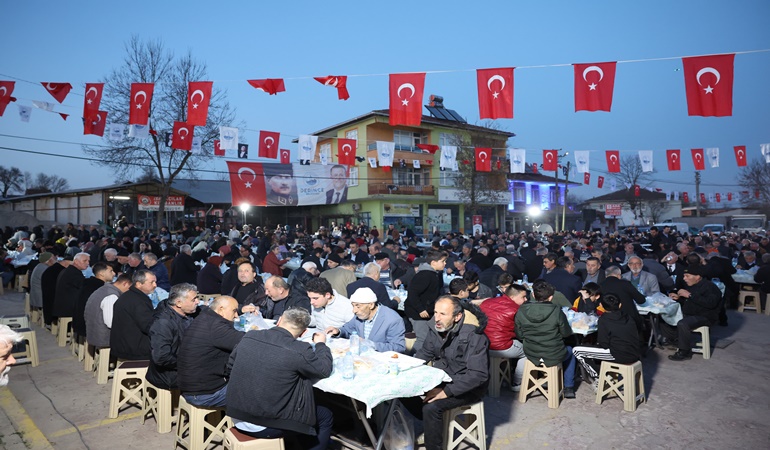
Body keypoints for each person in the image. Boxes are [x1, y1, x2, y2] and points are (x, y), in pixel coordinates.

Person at [226, 308, 333, 450]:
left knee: (299, 403)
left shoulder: (249, 336)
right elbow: (324, 370)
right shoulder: (299, 349)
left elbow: (230, 366)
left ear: (280, 320)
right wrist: (321, 344)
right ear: (304, 332)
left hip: (236, 414)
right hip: (265, 423)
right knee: (325, 415)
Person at [404, 296, 489, 450]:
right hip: (444, 376)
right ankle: (433, 426)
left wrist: (446, 392)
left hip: (470, 386)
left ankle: (434, 442)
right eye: (435, 312)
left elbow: (478, 375)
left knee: (432, 407)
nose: (436, 318)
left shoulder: (474, 336)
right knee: (403, 390)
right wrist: (406, 368)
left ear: (457, 317)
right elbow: (425, 353)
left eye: (443, 314)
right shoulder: (436, 328)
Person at [514, 280, 577, 399]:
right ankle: (568, 387)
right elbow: (566, 333)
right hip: (553, 353)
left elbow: (520, 335)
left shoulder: (521, 310)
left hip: (531, 351)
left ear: (533, 295)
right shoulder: (556, 311)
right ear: (551, 297)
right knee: (570, 351)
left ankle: (542, 380)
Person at [177, 296, 244, 407]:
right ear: (221, 309)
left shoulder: (205, 318)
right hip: (205, 394)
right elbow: (248, 342)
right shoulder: (216, 327)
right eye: (234, 311)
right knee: (257, 391)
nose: (236, 316)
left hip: (192, 387)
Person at [572, 293, 641, 391]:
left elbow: (603, 344)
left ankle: (599, 377)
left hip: (618, 354)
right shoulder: (628, 316)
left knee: (577, 350)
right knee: (591, 348)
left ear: (602, 307)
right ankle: (605, 374)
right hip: (635, 353)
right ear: (620, 305)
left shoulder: (604, 319)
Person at [661, 265, 723, 361]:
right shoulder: (692, 286)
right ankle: (675, 340)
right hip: (690, 314)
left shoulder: (710, 287)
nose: (684, 279)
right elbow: (690, 301)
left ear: (697, 276)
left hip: (705, 316)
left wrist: (689, 295)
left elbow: (711, 304)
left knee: (683, 323)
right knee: (664, 316)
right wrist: (679, 298)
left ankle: (684, 352)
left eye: (687, 276)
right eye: (684, 276)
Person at [146, 283, 198, 389]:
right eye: (193, 299)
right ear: (178, 303)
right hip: (168, 375)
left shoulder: (187, 313)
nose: (197, 302)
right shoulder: (163, 322)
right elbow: (161, 357)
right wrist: (190, 362)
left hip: (182, 366)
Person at [326, 287, 406, 353]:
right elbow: (347, 330)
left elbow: (399, 347)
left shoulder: (392, 319)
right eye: (353, 306)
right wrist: (338, 331)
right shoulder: (360, 316)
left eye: (358, 306)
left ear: (371, 305)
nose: (354, 311)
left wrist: (371, 344)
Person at [480, 284, 528, 391]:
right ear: (512, 297)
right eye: (523, 297)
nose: (526, 299)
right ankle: (517, 383)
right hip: (501, 346)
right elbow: (522, 332)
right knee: (528, 352)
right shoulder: (517, 310)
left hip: (483, 345)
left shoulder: (486, 302)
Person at [405, 250, 447, 352]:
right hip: (418, 313)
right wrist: (420, 309)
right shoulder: (425, 275)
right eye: (443, 261)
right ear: (433, 262)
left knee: (431, 335)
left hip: (426, 311)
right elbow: (412, 293)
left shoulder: (434, 274)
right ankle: (412, 360)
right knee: (422, 338)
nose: (445, 263)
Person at [110, 270, 157, 361]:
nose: (155, 285)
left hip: (123, 344)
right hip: (133, 348)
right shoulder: (138, 301)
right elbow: (149, 327)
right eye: (152, 282)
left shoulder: (128, 296)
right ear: (139, 284)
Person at [84, 274, 132, 349]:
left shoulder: (104, 288)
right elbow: (110, 323)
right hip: (102, 337)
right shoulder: (112, 296)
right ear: (125, 284)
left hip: (92, 331)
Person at [73, 262, 115, 339]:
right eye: (111, 271)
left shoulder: (87, 282)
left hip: (78, 322)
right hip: (88, 325)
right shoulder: (100, 288)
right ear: (102, 273)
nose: (114, 274)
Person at [53, 252, 90, 320]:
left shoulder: (68, 270)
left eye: (88, 261)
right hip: (67, 308)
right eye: (85, 260)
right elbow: (84, 287)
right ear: (76, 261)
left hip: (62, 305)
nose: (88, 263)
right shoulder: (74, 273)